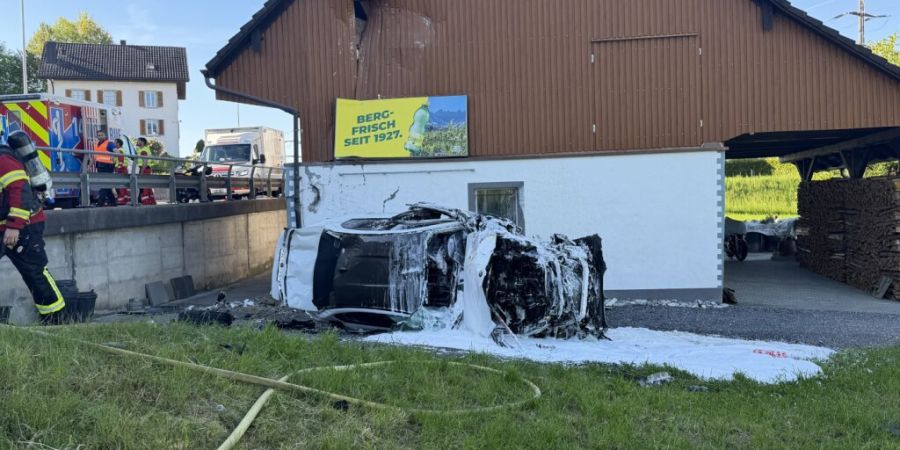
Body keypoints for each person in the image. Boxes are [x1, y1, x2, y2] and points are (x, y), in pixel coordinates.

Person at [0, 140, 65, 322]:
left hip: (23, 226)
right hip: (5, 225)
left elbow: (20, 191)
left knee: (34, 273)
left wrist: (14, 226)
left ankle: (56, 320)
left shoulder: (3, 159)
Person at [93, 130, 117, 207]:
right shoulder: (96, 145)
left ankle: (100, 202)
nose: (100, 136)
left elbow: (116, 152)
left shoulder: (109, 144)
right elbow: (94, 156)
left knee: (104, 184)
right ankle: (113, 201)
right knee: (106, 184)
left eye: (101, 135)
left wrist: (111, 153)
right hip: (100, 166)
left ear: (105, 136)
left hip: (107, 166)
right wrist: (89, 166)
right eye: (99, 135)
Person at [134, 138, 156, 205]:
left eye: (138, 141)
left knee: (144, 186)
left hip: (144, 169)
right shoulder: (141, 149)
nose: (137, 142)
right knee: (147, 186)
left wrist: (141, 172)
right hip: (145, 168)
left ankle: (145, 202)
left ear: (142, 142)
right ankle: (151, 202)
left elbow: (145, 162)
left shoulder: (143, 150)